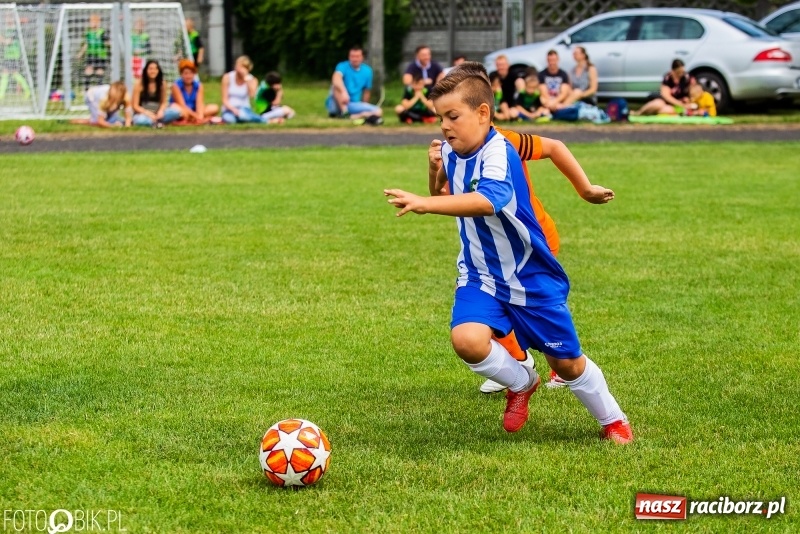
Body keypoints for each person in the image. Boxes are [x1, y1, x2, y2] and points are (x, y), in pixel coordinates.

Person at [385, 63, 632, 444]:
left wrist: (422, 204)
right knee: (467, 340)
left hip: (529, 273)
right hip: (480, 271)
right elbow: (443, 193)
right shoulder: (453, 147)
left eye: (453, 116)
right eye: (440, 119)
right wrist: (432, 171)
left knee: (566, 364)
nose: (445, 127)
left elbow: (488, 201)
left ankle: (612, 419)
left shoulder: (501, 149)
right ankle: (522, 383)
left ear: (483, 113)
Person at [325, 45, 383, 125]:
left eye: (357, 56)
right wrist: (344, 92)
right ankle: (344, 113)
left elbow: (367, 91)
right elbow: (336, 78)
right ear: (349, 57)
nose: (355, 59)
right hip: (338, 103)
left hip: (353, 104)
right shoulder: (342, 66)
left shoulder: (367, 71)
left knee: (378, 111)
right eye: (352, 56)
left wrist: (363, 105)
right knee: (335, 86)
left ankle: (357, 115)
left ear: (362, 57)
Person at [132, 60, 181, 127]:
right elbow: (135, 106)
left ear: (158, 71)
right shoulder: (139, 84)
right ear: (146, 70)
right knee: (140, 120)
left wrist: (160, 111)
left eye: (155, 69)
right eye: (150, 69)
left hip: (157, 113)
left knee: (176, 112)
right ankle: (155, 123)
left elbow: (163, 102)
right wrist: (148, 113)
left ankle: (157, 122)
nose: (153, 71)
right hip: (143, 114)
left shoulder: (162, 84)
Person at [170, 59, 218, 123]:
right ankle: (194, 118)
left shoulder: (198, 85)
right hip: (183, 109)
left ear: (194, 74)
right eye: (186, 73)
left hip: (194, 109)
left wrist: (200, 115)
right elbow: (182, 105)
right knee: (175, 108)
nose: (188, 76)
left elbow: (199, 103)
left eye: (190, 73)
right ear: (181, 74)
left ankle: (194, 118)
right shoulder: (176, 86)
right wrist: (196, 116)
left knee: (214, 108)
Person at [221, 55, 264, 124]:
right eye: (238, 66)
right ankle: (259, 119)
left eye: (242, 67)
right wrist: (233, 110)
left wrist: (246, 79)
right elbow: (224, 100)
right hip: (229, 109)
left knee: (243, 116)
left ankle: (262, 120)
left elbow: (252, 95)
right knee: (230, 120)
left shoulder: (252, 79)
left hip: (244, 108)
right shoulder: (227, 77)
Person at [0, 12, 31, 102]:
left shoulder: (15, 29)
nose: (7, 20)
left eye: (8, 17)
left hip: (13, 55)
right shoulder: (7, 29)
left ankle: (27, 90)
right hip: (7, 55)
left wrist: (4, 41)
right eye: (6, 18)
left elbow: (8, 41)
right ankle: (27, 90)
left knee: (10, 73)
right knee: (9, 74)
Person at [77, 14, 109, 91]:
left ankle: (99, 90)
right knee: (88, 71)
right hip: (91, 55)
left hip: (100, 55)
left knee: (99, 72)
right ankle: (87, 90)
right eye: (91, 22)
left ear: (98, 22)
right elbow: (86, 44)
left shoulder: (102, 32)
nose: (92, 24)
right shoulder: (89, 32)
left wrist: (105, 41)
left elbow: (107, 43)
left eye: (94, 22)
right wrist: (81, 53)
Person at [493, 55, 525, 119]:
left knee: (520, 82)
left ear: (508, 65)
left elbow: (521, 87)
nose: (501, 67)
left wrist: (515, 105)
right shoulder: (493, 76)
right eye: (499, 65)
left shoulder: (513, 75)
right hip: (499, 103)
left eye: (503, 65)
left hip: (512, 104)